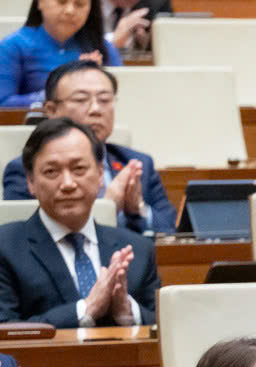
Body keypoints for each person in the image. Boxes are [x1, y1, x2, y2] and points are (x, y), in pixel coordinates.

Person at [0, 117, 160, 327]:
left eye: (78, 169)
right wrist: (86, 309)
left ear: (101, 175)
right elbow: (5, 330)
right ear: (31, 182)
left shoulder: (137, 250)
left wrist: (128, 313)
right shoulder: (6, 246)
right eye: (51, 172)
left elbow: (163, 326)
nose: (67, 184)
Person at [3, 60, 171, 231]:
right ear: (52, 110)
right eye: (81, 99)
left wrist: (138, 208)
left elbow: (172, 230)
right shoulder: (27, 169)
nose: (95, 109)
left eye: (105, 100)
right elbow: (23, 241)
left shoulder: (136, 163)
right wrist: (107, 207)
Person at [2, 0, 120, 108]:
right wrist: (66, 89)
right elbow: (3, 104)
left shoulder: (103, 49)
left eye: (80, 3)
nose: (70, 10)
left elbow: (121, 103)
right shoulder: (13, 47)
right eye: (61, 1)